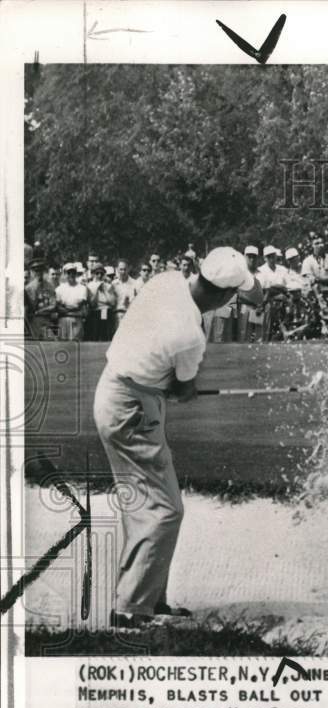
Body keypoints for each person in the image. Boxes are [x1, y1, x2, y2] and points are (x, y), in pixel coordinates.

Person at [93, 247, 262, 628]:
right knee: (165, 511)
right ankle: (131, 611)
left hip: (120, 391)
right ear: (224, 296)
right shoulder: (190, 336)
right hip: (132, 408)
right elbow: (185, 392)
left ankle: (148, 600)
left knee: (149, 506)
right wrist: (169, 386)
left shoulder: (165, 279)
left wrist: (160, 382)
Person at [24, 259, 58, 340]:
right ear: (32, 272)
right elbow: (28, 308)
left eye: (41, 270)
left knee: (52, 343)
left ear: (44, 271)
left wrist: (40, 311)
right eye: (36, 270)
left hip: (47, 320)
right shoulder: (28, 288)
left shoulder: (50, 286)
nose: (38, 273)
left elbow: (53, 305)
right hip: (33, 321)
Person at [55, 263, 88, 340]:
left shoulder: (82, 288)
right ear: (64, 274)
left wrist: (66, 307)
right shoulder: (59, 289)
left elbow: (80, 305)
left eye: (73, 272)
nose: (71, 275)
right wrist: (72, 309)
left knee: (76, 346)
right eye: (68, 272)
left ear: (76, 273)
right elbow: (58, 306)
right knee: (63, 346)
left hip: (76, 320)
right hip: (63, 321)